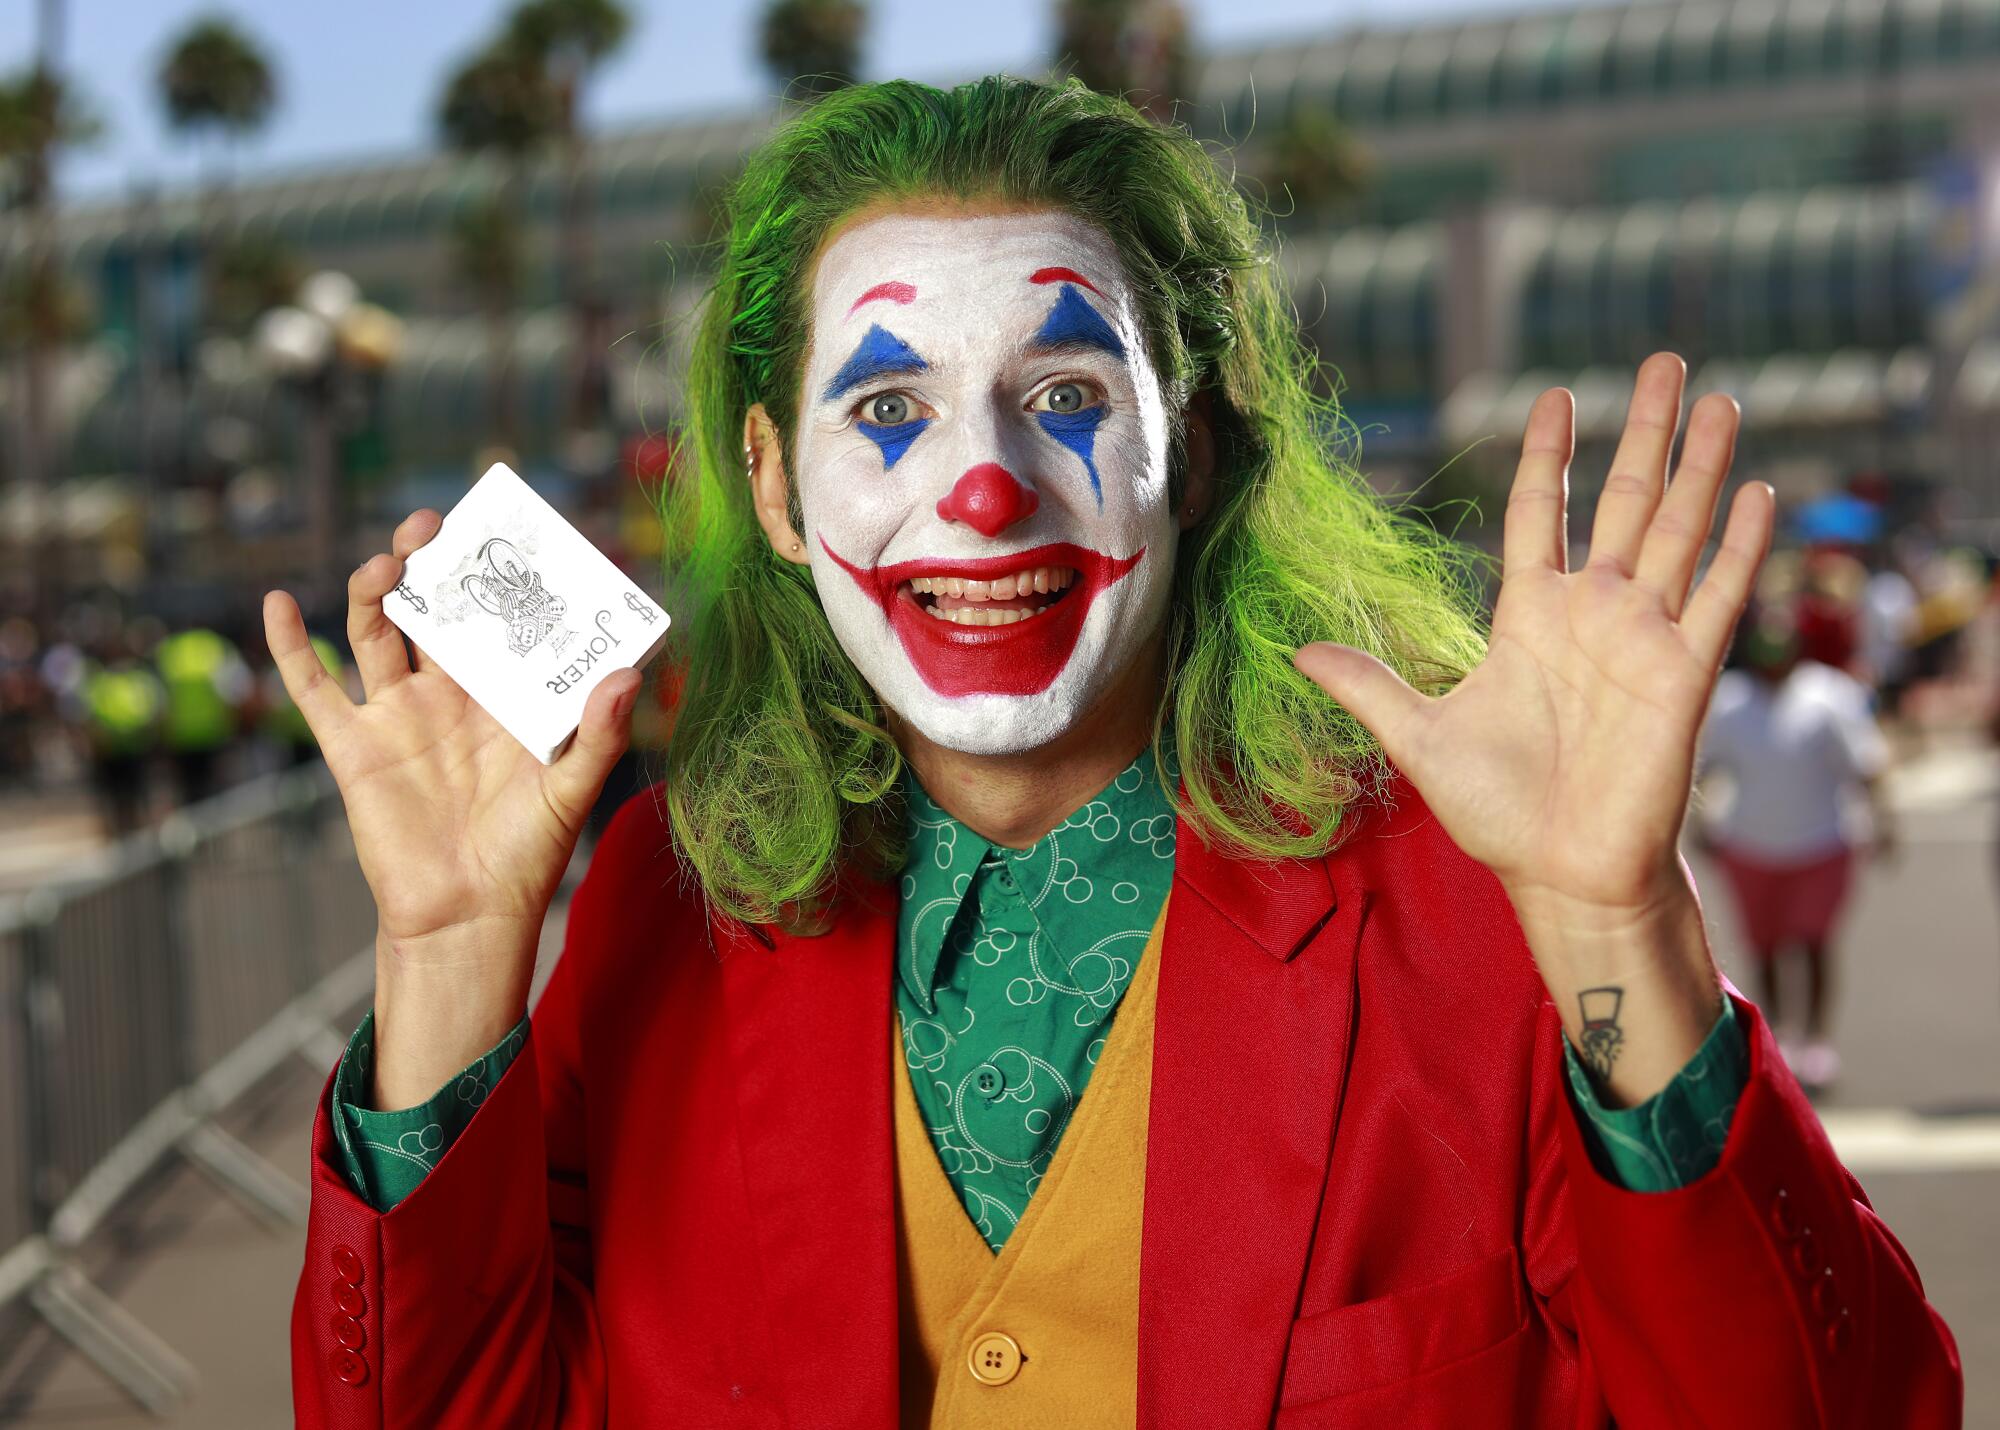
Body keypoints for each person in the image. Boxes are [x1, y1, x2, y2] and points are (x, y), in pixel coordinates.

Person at [271, 77, 1959, 1427]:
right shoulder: (660, 902)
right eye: (887, 412)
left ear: (1197, 453)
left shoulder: (1467, 894)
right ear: (778, 492)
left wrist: (1615, 930)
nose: (985, 489)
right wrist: (446, 956)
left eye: (1066, 391)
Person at [1696, 602, 1895, 1092]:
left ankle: (1817, 1041)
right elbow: (1708, 767)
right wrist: (1702, 821)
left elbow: (1866, 764)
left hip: (1822, 843)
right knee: (1763, 947)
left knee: (1814, 943)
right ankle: (1779, 1036)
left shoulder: (1830, 695)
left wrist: (1886, 820)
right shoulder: (1732, 699)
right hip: (1751, 846)